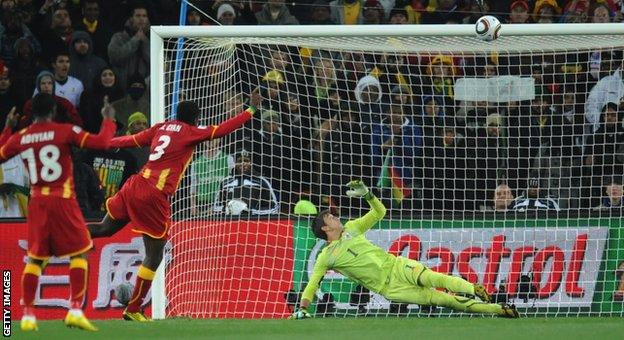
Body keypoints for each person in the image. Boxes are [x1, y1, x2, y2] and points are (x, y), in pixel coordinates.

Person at [86, 89, 262, 322]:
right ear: (197, 118)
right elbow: (223, 129)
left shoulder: (161, 127)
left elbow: (132, 140)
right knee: (154, 254)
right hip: (153, 194)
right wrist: (251, 109)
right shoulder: (191, 132)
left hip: (134, 184)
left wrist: (105, 142)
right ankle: (134, 308)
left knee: (104, 228)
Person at [289, 180, 519, 319]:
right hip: (390, 287)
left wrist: (368, 195)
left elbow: (379, 213)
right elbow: (312, 283)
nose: (335, 216)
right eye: (330, 217)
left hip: (396, 265)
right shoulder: (326, 256)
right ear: (325, 228)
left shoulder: (352, 228)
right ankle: (498, 310)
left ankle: (475, 289)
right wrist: (302, 308)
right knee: (442, 299)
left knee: (435, 276)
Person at [0, 94, 116, 331]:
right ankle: (74, 309)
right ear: (53, 110)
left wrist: (8, 128)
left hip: (37, 202)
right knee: (80, 252)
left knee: (36, 258)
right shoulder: (65, 131)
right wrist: (108, 121)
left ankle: (28, 314)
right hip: (63, 200)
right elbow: (103, 143)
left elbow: (1, 152)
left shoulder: (22, 137)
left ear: (31, 113)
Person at [108, 4, 150, 89]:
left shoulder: (154, 38)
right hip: (121, 87)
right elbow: (114, 58)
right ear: (131, 19)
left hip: (146, 89)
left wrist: (145, 43)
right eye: (138, 16)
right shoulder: (118, 37)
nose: (141, 19)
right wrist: (135, 40)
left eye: (144, 16)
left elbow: (159, 63)